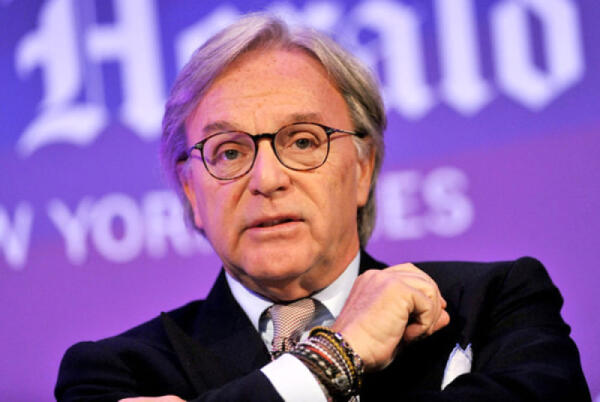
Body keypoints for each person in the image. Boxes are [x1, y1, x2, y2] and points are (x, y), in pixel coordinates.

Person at [55, 14, 590, 402]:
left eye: (303, 141)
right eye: (229, 152)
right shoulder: (115, 372)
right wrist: (334, 355)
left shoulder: (493, 304)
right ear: (192, 193)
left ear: (363, 168)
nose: (267, 180)